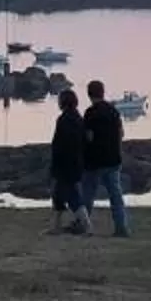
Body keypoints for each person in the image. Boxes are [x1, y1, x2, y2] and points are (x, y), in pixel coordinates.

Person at [73, 77, 130, 239]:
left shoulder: (90, 113)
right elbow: (121, 133)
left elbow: (89, 137)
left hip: (94, 161)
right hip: (113, 159)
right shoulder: (113, 111)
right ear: (103, 93)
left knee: (88, 194)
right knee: (115, 195)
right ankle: (121, 227)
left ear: (89, 94)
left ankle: (84, 225)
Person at [46, 82, 83, 236]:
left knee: (67, 196)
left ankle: (85, 225)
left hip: (64, 165)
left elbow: (59, 144)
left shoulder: (63, 120)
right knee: (62, 195)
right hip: (76, 163)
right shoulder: (79, 119)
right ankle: (56, 227)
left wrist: (54, 165)